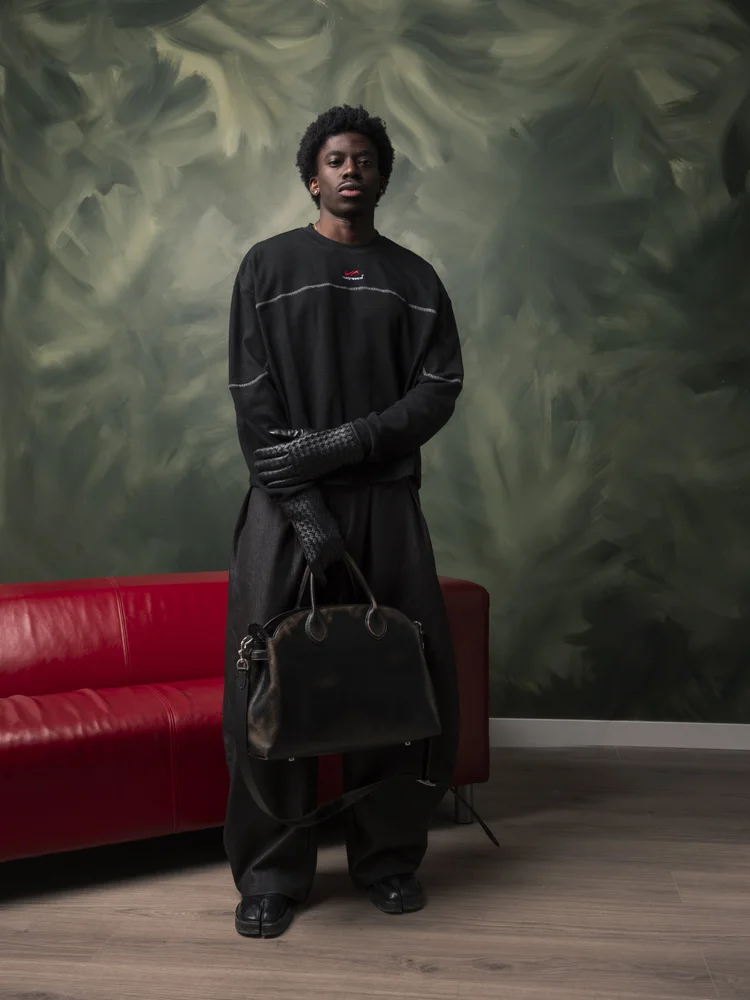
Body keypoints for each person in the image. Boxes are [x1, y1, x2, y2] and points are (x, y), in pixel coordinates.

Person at [222, 104, 464, 939]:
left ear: (383, 175)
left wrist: (351, 440)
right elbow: (254, 403)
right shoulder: (267, 266)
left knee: (401, 676)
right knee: (267, 684)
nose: (350, 169)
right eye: (334, 157)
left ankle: (389, 858)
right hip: (285, 509)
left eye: (364, 157)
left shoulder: (416, 280)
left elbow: (439, 390)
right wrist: (303, 507)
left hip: (388, 503)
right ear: (311, 175)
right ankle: (270, 874)